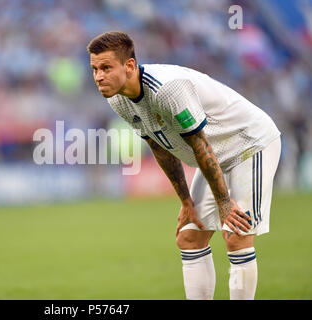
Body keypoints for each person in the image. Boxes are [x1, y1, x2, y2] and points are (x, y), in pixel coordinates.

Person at [87, 31, 281, 300]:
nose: (98, 76)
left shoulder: (167, 89)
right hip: (215, 156)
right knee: (189, 237)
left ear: (129, 65)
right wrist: (186, 201)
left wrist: (224, 203)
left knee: (236, 236)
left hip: (249, 144)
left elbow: (200, 144)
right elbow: (158, 145)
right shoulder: (117, 99)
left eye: (106, 67)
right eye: (95, 68)